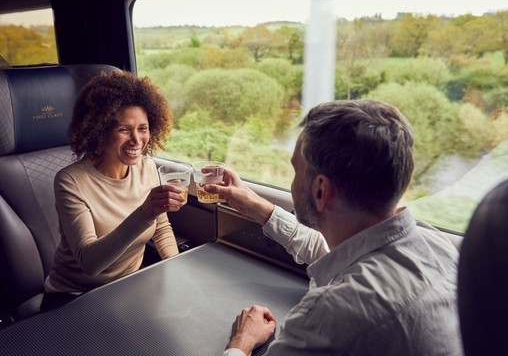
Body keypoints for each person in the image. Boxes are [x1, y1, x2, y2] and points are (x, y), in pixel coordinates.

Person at [206, 100, 462, 355]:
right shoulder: (438, 248)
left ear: (320, 190)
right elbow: (334, 254)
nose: (293, 180)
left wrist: (241, 342)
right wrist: (255, 205)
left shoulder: (329, 316)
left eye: (295, 170)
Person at [41, 70, 183, 310]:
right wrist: (145, 213)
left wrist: (179, 271)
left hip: (127, 288)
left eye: (143, 128)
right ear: (99, 131)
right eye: (123, 130)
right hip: (75, 297)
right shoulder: (70, 181)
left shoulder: (147, 166)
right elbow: (90, 263)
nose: (137, 141)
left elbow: (161, 229)